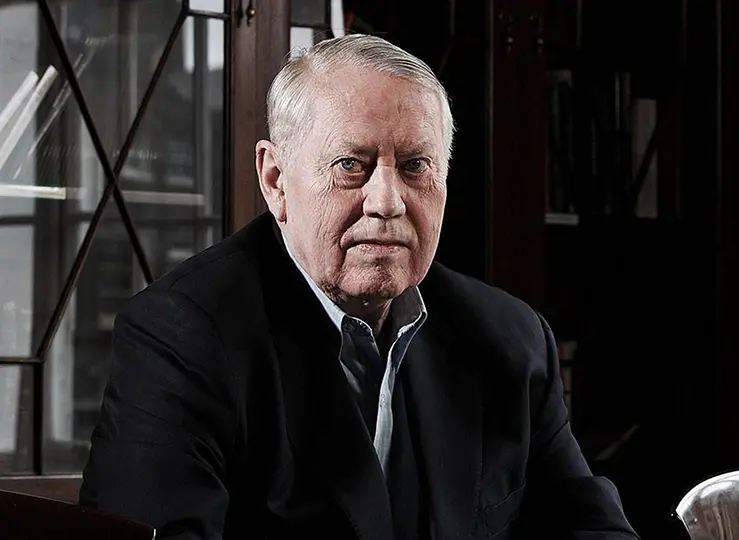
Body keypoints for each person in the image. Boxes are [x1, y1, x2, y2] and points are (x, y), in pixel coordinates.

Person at [79, 34, 637, 540]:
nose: (388, 200)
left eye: (416, 166)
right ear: (275, 180)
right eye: (352, 165)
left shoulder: (509, 338)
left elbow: (589, 527)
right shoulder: (183, 337)